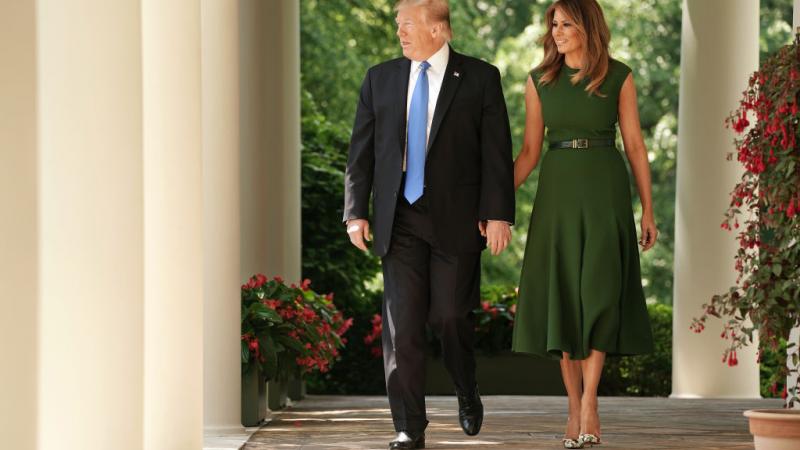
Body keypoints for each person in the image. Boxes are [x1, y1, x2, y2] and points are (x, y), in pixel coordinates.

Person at [343, 0, 515, 448]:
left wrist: (498, 213)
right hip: (398, 218)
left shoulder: (480, 78)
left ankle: (465, 387)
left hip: (457, 220)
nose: (399, 33)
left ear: (439, 31)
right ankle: (409, 427)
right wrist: (355, 211)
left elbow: (496, 153)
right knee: (402, 327)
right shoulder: (379, 79)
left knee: (451, 317)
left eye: (407, 25)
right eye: (397, 25)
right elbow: (360, 154)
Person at [511, 0, 657, 448]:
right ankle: (573, 404)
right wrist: (494, 202)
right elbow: (531, 151)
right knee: (564, 301)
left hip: (605, 193)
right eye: (552, 24)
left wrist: (648, 209)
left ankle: (591, 400)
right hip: (557, 194)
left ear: (587, 26)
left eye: (566, 23)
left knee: (599, 295)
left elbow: (633, 143)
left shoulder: (618, 76)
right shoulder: (538, 82)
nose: (556, 31)